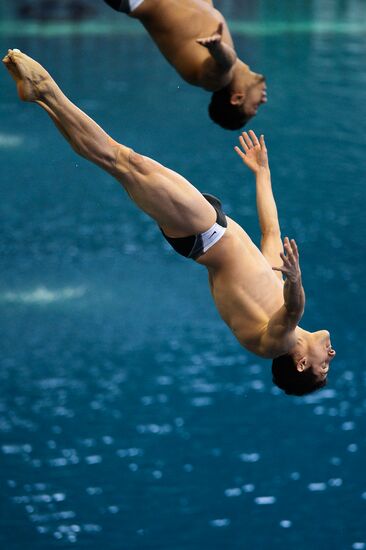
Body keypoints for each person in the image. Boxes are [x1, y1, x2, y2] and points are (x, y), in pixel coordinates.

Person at [3, 49, 335, 396]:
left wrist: (295, 281)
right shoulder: (274, 306)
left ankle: (45, 89)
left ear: (300, 364)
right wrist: (262, 174)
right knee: (120, 162)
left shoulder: (275, 343)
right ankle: (43, 98)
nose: (331, 353)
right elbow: (270, 233)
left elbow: (295, 307)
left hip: (203, 234)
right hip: (207, 228)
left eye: (323, 365)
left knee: (123, 161)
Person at [102, 0, 267, 129]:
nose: (263, 101)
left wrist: (216, 48)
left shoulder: (217, 80)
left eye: (254, 109)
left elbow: (224, 63)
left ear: (237, 98)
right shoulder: (224, 44)